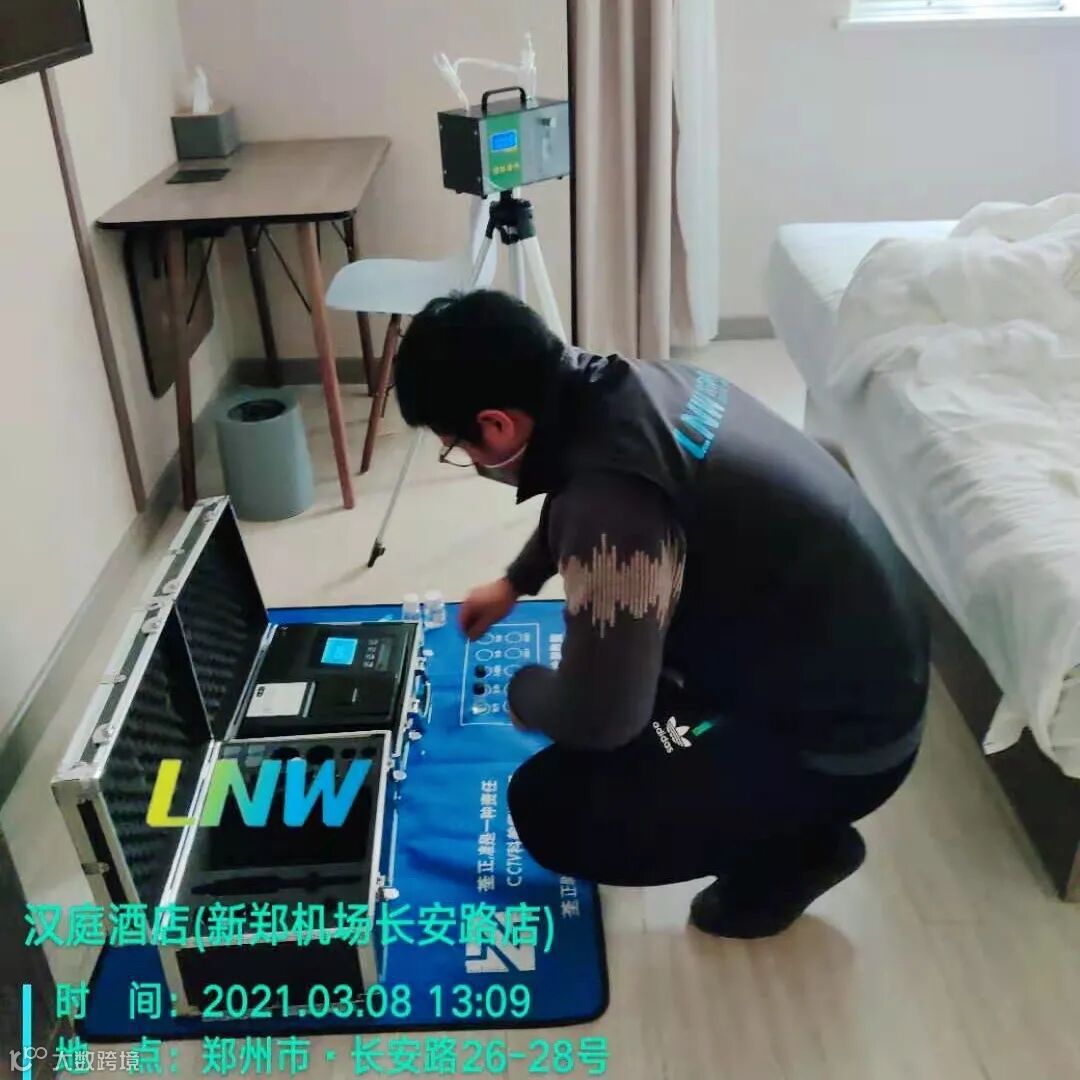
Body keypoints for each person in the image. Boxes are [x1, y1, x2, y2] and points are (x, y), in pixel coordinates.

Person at [394, 289, 929, 939]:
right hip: (857, 659)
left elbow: (601, 717)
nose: (469, 461)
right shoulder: (636, 385)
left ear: (496, 425)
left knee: (551, 807)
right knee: (617, 680)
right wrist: (517, 580)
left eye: (458, 446)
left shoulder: (611, 500)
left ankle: (795, 850)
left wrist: (523, 689)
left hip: (843, 745)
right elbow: (582, 494)